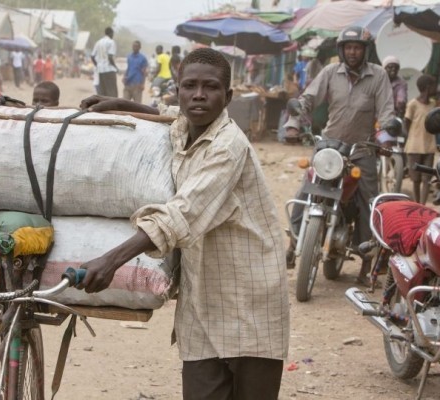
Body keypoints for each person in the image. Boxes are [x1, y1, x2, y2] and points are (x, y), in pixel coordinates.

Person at [78, 47, 289, 400]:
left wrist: (111, 260)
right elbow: (172, 117)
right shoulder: (185, 129)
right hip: (202, 298)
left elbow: (181, 214)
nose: (199, 95)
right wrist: (125, 105)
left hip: (251, 299)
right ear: (177, 91)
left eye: (210, 87)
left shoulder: (228, 146)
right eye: (189, 86)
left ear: (228, 96)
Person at [284, 26, 395, 285]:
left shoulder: (378, 75)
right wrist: (293, 121)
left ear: (365, 50)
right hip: (330, 146)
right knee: (306, 191)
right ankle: (293, 243)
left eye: (357, 47)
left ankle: (368, 263)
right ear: (341, 50)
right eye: (348, 47)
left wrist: (387, 133)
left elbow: (387, 111)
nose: (352, 52)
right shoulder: (330, 72)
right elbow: (308, 99)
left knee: (370, 201)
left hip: (362, 149)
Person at [404, 74, 437, 204]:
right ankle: (417, 203)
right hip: (414, 148)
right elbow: (406, 122)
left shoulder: (433, 104)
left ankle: (422, 205)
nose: (437, 88)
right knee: (416, 179)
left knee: (426, 178)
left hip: (429, 147)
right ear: (428, 88)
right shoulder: (413, 104)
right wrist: (411, 137)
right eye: (434, 86)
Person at [91, 27, 118, 97]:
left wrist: (97, 65)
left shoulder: (98, 42)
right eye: (112, 34)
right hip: (109, 70)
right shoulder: (111, 42)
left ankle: (103, 106)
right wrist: (115, 67)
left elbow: (92, 56)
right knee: (112, 92)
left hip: (100, 71)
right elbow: (110, 57)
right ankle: (112, 107)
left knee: (102, 93)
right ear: (111, 33)